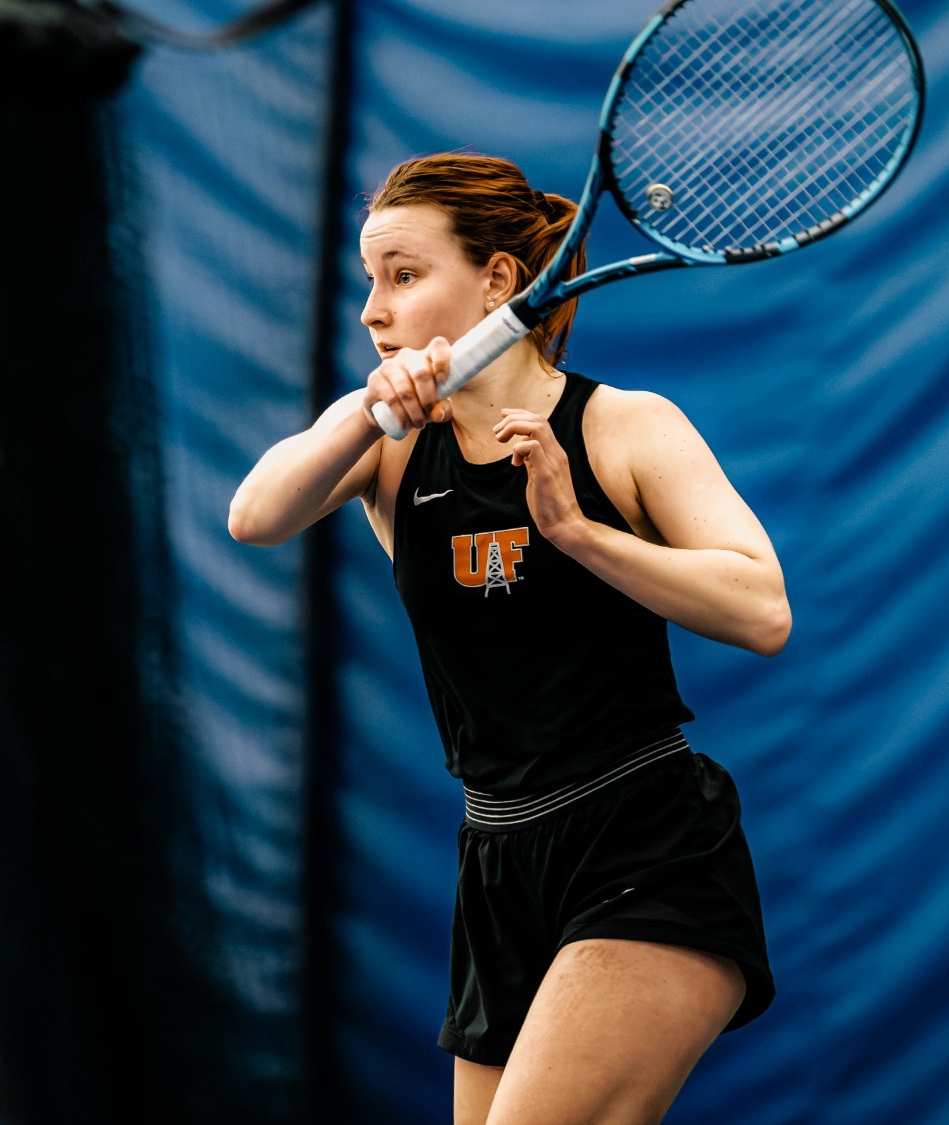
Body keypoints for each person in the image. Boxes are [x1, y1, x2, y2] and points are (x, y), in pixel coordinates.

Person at [229, 153, 790, 1125]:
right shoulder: (388, 445)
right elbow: (255, 514)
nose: (372, 309)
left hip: (645, 843)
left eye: (402, 275)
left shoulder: (623, 426)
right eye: (368, 279)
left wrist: (576, 532)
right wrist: (366, 411)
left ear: (495, 281)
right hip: (495, 866)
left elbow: (759, 610)